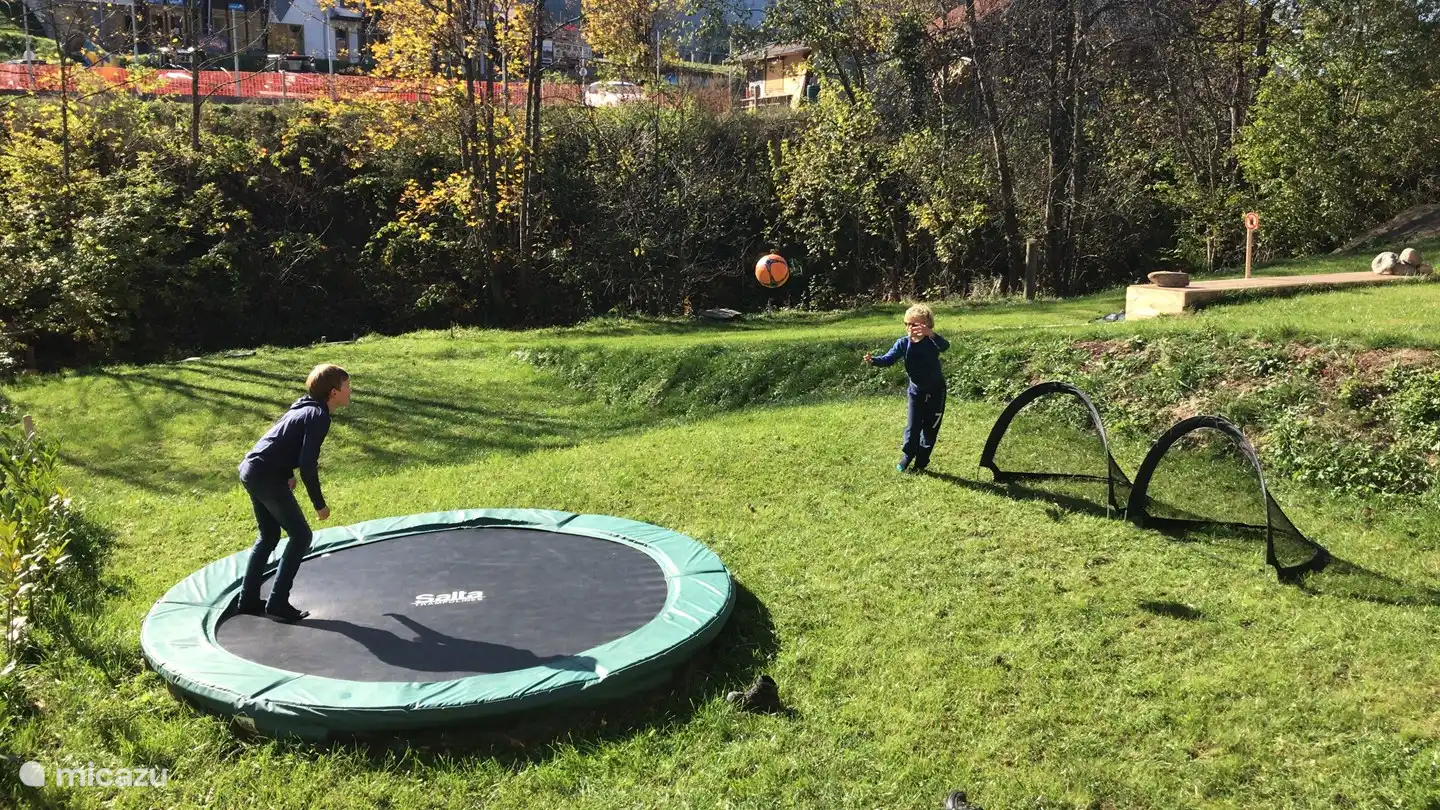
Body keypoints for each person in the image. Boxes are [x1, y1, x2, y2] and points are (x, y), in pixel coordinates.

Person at [233, 363, 351, 622]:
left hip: (252, 469)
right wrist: (319, 504)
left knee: (269, 535)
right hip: (264, 474)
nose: (350, 391)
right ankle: (277, 602)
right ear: (333, 392)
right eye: (347, 387)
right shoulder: (318, 416)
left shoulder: (304, 407)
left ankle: (248, 599)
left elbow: (281, 440)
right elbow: (308, 463)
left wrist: (287, 473)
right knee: (301, 536)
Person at [864, 303, 949, 473]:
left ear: (926, 326)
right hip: (916, 392)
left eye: (915, 324)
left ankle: (922, 461)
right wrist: (873, 360)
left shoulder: (932, 342)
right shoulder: (903, 343)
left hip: (936, 391)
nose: (910, 328)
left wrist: (931, 334)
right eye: (907, 324)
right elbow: (888, 359)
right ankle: (907, 456)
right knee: (912, 426)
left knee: (930, 428)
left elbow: (945, 346)